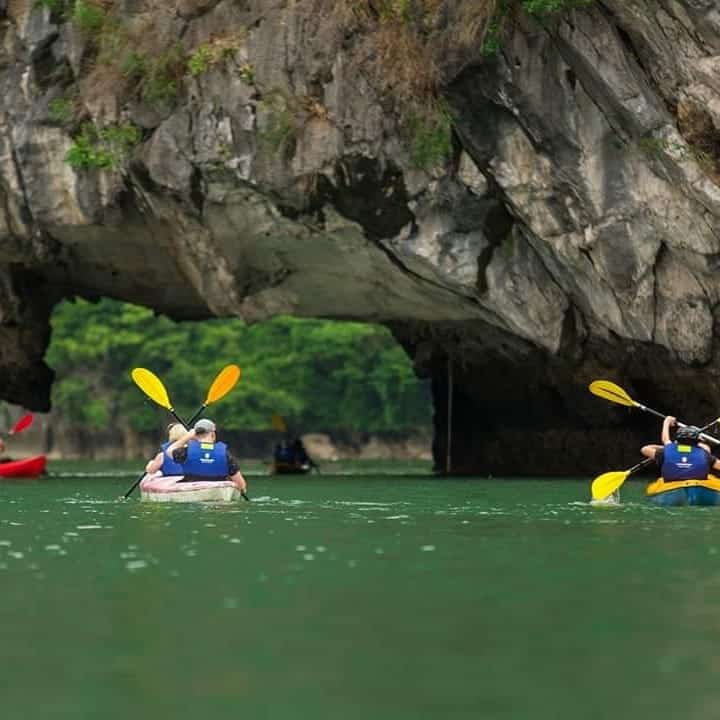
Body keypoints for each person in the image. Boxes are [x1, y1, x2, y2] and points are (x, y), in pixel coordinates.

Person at [165, 418, 247, 493]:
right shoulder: (225, 454)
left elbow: (169, 450)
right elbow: (241, 485)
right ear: (213, 434)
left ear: (195, 435)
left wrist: (188, 436)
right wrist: (242, 489)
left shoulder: (186, 452)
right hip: (219, 496)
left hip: (191, 491)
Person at [641, 416, 720, 480]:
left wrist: (667, 422)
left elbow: (645, 449)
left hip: (672, 485)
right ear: (697, 441)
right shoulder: (705, 453)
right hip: (697, 485)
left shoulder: (666, 451)